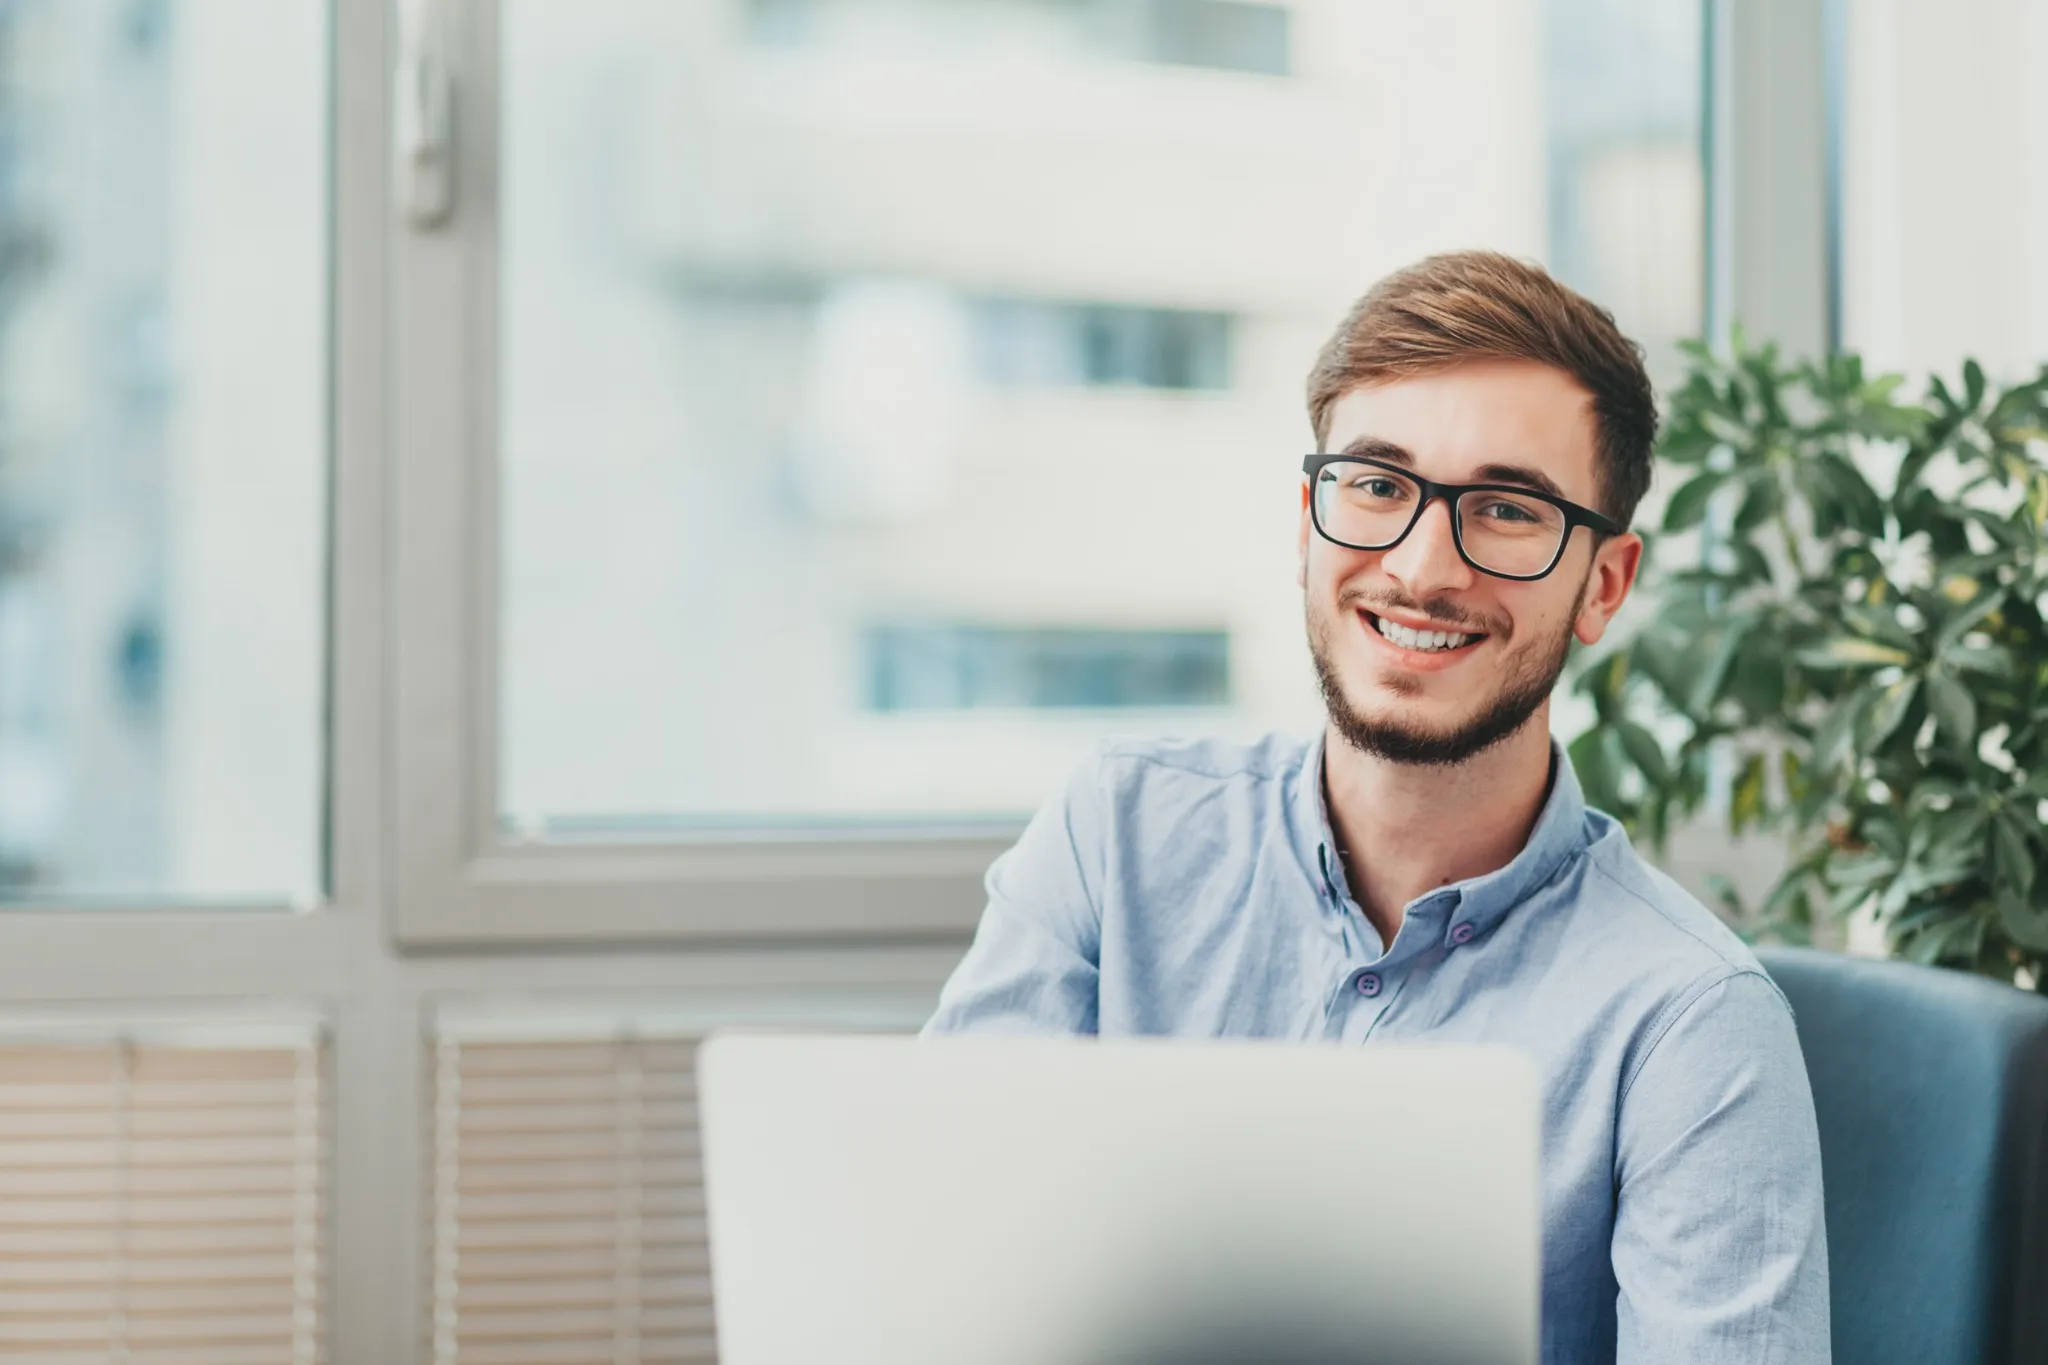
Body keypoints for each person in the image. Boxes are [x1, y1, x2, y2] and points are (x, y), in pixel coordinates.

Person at [924, 251, 1831, 1365]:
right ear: (1308, 522)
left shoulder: (1689, 1022)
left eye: (1505, 509)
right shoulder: (1115, 835)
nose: (1419, 565)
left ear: (1603, 584)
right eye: (1374, 485)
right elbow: (940, 1276)